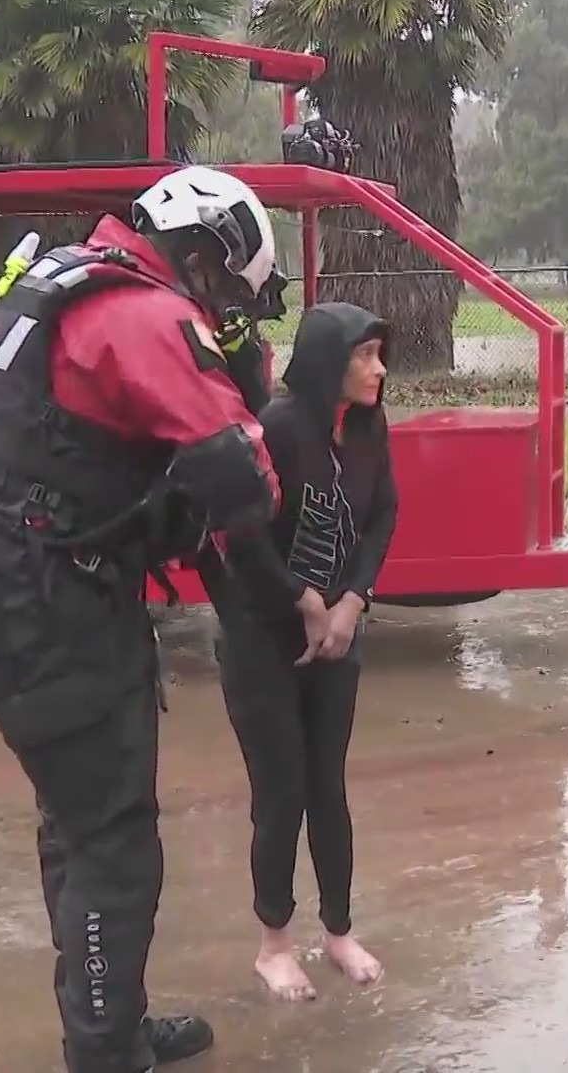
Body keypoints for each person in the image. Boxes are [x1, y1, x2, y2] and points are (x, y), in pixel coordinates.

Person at [0, 165, 289, 1073]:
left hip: (4, 586)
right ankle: (105, 1051)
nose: (228, 318)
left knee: (79, 823)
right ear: (205, 254)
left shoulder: (56, 280)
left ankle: (111, 1025)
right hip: (51, 608)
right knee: (113, 847)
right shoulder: (141, 315)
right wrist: (248, 385)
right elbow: (244, 477)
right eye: (233, 299)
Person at [197, 302, 397, 1002]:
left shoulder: (369, 428)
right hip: (265, 639)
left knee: (327, 789)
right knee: (280, 794)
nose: (379, 369)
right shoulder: (277, 429)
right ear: (326, 362)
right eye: (365, 355)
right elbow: (241, 536)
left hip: (337, 635)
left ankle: (338, 931)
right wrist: (303, 600)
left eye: (379, 354)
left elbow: (382, 516)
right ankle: (273, 943)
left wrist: (352, 601)